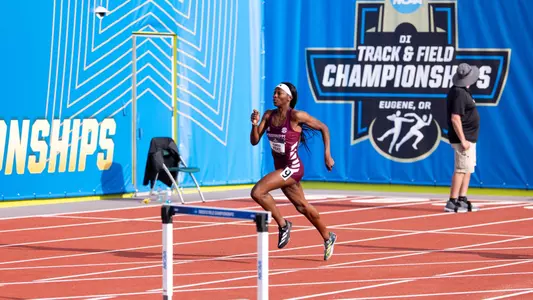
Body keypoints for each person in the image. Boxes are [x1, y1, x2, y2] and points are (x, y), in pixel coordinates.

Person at [249, 82, 337, 261]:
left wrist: (327, 154)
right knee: (302, 206)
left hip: (292, 168)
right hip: (281, 168)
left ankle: (283, 224)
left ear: (288, 98)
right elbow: (254, 141)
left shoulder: (296, 116)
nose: (274, 96)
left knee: (257, 192)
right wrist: (254, 124)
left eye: (278, 93)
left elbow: (323, 128)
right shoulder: (268, 115)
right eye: (274, 92)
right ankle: (328, 237)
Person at [445, 63, 480, 213]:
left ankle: (462, 199)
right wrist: (463, 139)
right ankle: (452, 202)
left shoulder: (464, 91)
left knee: (468, 168)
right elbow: (455, 118)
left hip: (470, 137)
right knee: (460, 169)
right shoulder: (458, 93)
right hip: (463, 138)